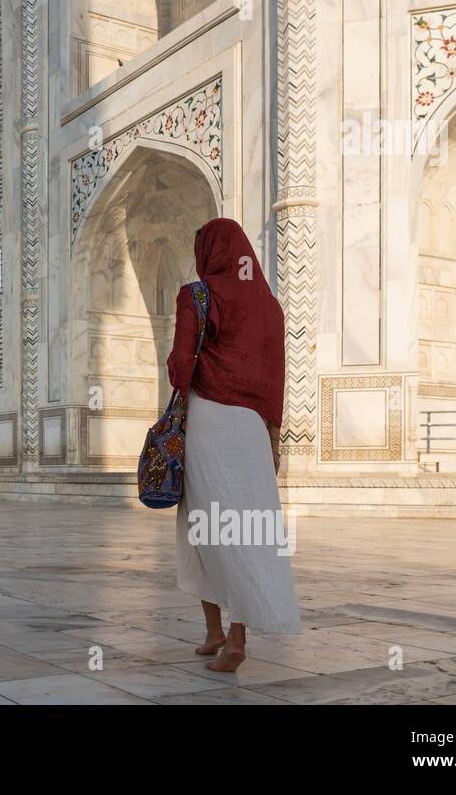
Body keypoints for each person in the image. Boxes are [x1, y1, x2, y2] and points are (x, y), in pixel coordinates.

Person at [166, 218, 301, 674]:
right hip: (253, 430)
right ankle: (226, 636)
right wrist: (274, 437)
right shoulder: (271, 306)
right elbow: (275, 380)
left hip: (208, 422)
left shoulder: (198, 295)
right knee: (246, 529)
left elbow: (181, 367)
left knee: (202, 527)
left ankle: (222, 633)